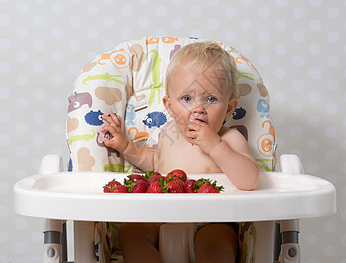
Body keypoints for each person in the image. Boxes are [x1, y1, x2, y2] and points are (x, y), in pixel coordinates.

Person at [101, 41, 260, 263]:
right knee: (130, 233)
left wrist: (215, 146)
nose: (198, 109)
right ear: (169, 106)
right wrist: (124, 146)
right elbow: (154, 162)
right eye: (186, 98)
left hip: (213, 220)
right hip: (162, 214)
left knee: (218, 248)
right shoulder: (169, 132)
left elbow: (250, 179)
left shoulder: (229, 138)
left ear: (229, 108)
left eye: (211, 99)